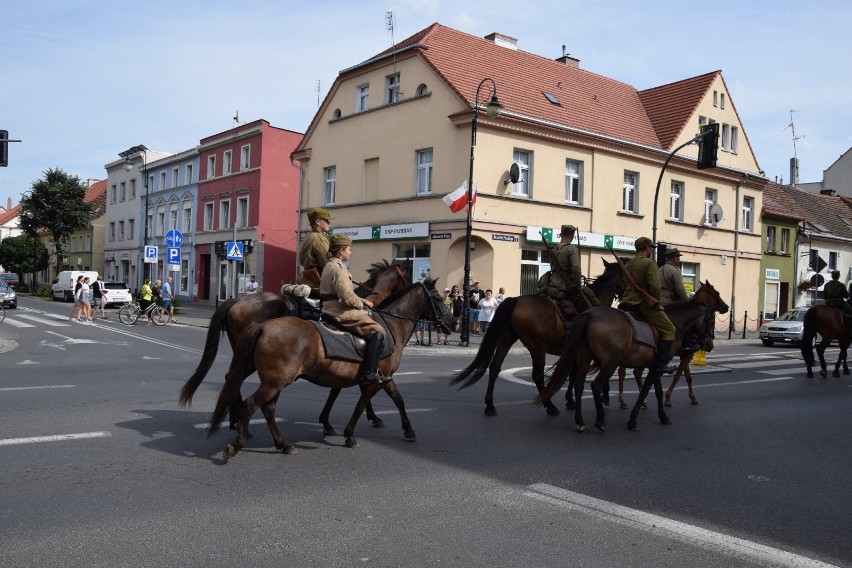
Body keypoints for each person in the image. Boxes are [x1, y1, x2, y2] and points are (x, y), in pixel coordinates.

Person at [320, 233, 389, 385]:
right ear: (341, 251)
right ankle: (369, 374)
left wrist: (362, 298)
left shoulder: (329, 265)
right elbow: (347, 297)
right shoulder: (340, 269)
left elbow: (341, 293)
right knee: (379, 331)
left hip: (328, 307)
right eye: (349, 249)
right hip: (340, 311)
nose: (350, 252)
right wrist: (362, 304)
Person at [621, 236, 678, 385]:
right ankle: (660, 364)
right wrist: (655, 302)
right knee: (670, 329)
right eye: (650, 249)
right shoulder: (649, 263)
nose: (651, 251)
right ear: (646, 248)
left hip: (627, 302)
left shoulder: (629, 264)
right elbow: (655, 287)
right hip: (643, 304)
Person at [538, 224, 596, 313]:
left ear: (561, 235)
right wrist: (578, 285)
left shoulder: (554, 250)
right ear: (572, 236)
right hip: (565, 286)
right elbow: (576, 268)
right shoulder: (572, 249)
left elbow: (552, 267)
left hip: (552, 283)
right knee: (589, 299)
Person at [297, 207, 333, 298]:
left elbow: (301, 261)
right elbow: (328, 265)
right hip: (317, 284)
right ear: (318, 222)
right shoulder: (319, 239)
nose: (329, 223)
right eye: (326, 220)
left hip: (305, 280)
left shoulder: (309, 236)